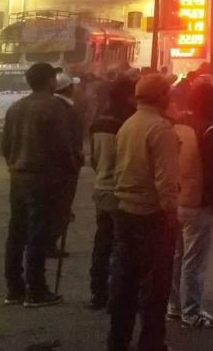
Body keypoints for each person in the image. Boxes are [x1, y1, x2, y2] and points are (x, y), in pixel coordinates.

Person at [108, 73, 181, 351]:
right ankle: (151, 343)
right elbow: (166, 180)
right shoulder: (160, 129)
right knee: (155, 286)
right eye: (168, 91)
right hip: (151, 216)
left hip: (125, 212)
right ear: (161, 95)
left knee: (124, 282)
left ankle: (118, 341)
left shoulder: (128, 125)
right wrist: (171, 214)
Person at [2, 62, 78, 308]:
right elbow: (63, 147)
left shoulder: (16, 108)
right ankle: (36, 289)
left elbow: (6, 146)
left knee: (16, 234)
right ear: (50, 82)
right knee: (38, 235)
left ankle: (14, 288)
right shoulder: (54, 108)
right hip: (44, 179)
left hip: (18, 177)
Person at [168, 81, 213, 329]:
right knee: (194, 259)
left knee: (177, 256)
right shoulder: (210, 129)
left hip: (178, 197)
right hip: (200, 202)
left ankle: (174, 305)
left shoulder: (179, 125)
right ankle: (192, 311)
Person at [87, 74, 136, 310]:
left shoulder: (98, 123)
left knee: (102, 243)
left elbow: (93, 160)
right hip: (122, 192)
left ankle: (98, 293)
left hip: (101, 188)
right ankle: (118, 295)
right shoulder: (128, 124)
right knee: (122, 246)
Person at [50, 72, 85, 258]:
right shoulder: (67, 110)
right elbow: (70, 140)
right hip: (64, 169)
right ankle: (49, 243)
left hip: (49, 168)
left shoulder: (51, 106)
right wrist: (75, 160)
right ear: (68, 88)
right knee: (61, 209)